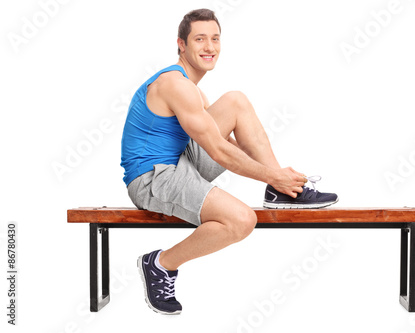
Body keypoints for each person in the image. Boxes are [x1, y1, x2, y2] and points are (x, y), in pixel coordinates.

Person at [120, 8, 338, 315]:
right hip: (152, 177)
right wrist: (271, 175)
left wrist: (275, 175)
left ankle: (282, 192)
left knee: (235, 100)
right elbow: (220, 152)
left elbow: (225, 143)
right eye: (200, 39)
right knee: (241, 220)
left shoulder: (193, 90)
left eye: (215, 39)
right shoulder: (175, 85)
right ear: (182, 44)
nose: (209, 47)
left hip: (180, 161)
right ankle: (160, 264)